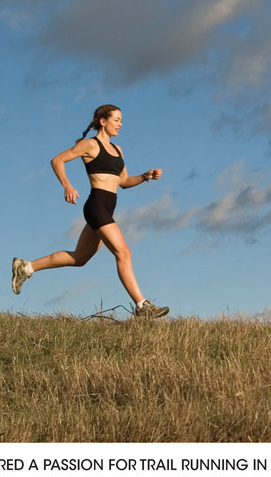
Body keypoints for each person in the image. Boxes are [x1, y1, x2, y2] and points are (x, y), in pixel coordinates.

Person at [12, 104, 169, 318]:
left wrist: (144, 176)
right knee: (123, 252)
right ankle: (142, 306)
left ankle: (26, 267)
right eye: (117, 120)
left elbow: (123, 181)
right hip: (96, 206)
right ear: (103, 121)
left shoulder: (118, 150)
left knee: (79, 258)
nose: (120, 124)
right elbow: (57, 160)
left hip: (108, 208)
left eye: (121, 120)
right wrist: (67, 186)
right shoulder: (90, 146)